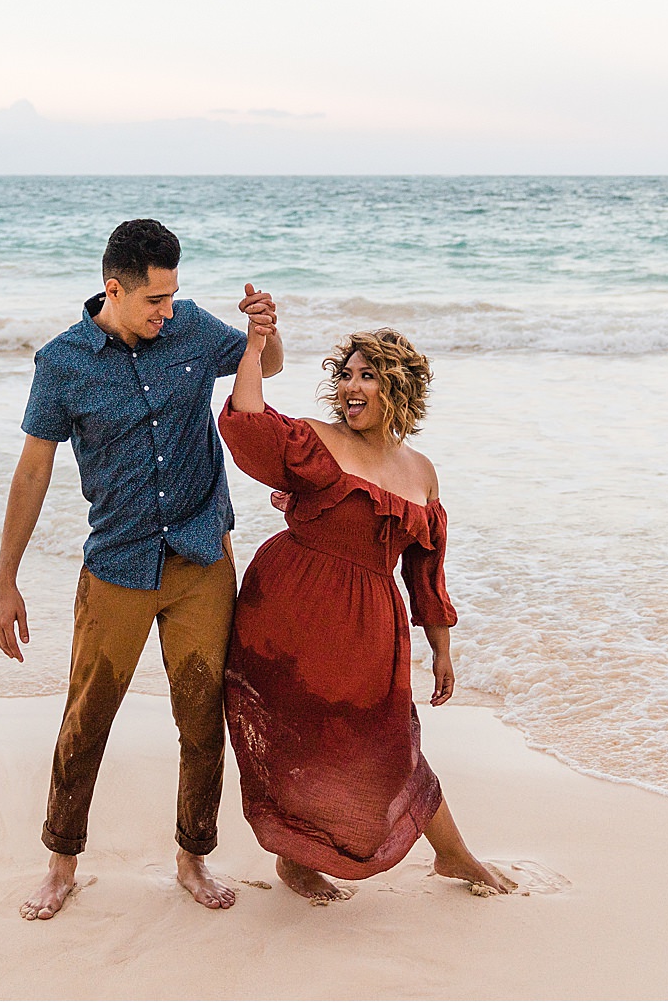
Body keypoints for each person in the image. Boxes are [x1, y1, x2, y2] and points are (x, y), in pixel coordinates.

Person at [0, 218, 284, 920]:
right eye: (155, 300)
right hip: (118, 566)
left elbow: (262, 369)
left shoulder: (191, 329)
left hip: (201, 560)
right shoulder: (63, 362)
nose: (168, 311)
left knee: (202, 719)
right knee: (87, 719)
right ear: (113, 290)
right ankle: (60, 865)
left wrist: (267, 331)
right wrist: (6, 578)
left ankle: (193, 857)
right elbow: (33, 471)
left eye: (175, 295)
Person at [217, 323, 514, 901]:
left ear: (397, 387)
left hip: (370, 627)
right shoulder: (316, 441)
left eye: (367, 375)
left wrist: (443, 649)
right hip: (286, 612)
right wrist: (255, 345)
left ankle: (452, 856)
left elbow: (426, 573)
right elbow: (248, 422)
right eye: (346, 375)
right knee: (292, 738)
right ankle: (297, 861)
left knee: (390, 744)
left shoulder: (421, 473)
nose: (352, 387)